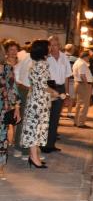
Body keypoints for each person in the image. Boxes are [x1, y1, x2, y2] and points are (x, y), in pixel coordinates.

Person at [21, 40, 59, 168]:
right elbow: (43, 86)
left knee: (34, 127)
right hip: (39, 101)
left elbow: (38, 84)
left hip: (35, 98)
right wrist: (55, 93)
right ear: (43, 49)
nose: (50, 49)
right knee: (36, 129)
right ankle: (34, 158)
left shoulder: (35, 63)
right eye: (49, 47)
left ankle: (34, 156)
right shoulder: (42, 64)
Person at [44, 35, 71, 153]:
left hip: (60, 89)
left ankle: (51, 144)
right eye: (52, 45)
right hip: (49, 88)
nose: (54, 47)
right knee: (46, 117)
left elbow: (66, 77)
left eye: (56, 45)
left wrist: (67, 94)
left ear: (59, 45)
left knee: (55, 118)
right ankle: (43, 145)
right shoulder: (46, 58)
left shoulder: (64, 57)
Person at [0, 43, 20, 168]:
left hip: (2, 107)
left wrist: (17, 108)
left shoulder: (7, 68)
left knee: (2, 136)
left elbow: (13, 89)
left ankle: (0, 165)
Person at [14, 43, 32, 159]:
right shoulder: (34, 59)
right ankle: (25, 151)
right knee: (27, 122)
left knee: (21, 121)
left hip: (22, 89)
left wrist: (19, 83)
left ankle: (18, 149)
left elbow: (16, 70)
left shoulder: (26, 57)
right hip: (28, 91)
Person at [3, 39, 20, 150]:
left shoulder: (21, 63)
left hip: (20, 92)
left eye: (15, 50)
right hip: (8, 94)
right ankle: (7, 140)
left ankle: (14, 140)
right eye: (11, 50)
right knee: (8, 118)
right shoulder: (4, 65)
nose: (13, 52)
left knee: (16, 119)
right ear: (6, 52)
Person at [72, 50, 93, 128]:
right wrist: (87, 85)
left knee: (79, 104)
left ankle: (76, 121)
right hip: (83, 84)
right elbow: (82, 75)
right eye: (88, 57)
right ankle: (81, 123)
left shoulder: (77, 62)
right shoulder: (82, 64)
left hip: (78, 84)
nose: (89, 59)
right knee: (84, 104)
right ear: (85, 57)